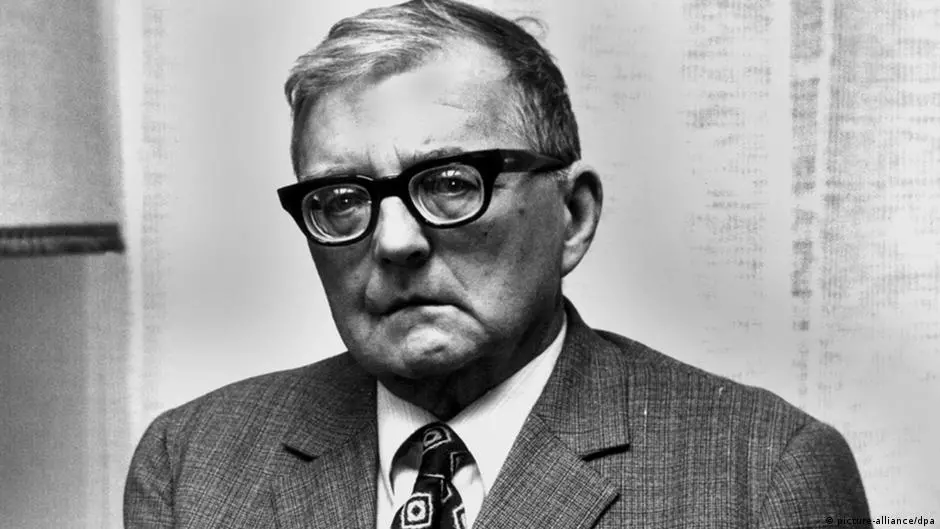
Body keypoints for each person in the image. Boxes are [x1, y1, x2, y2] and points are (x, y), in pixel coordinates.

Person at [124, 0, 872, 527]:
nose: (395, 241)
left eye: (452, 184)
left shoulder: (763, 475)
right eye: (343, 199)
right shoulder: (194, 463)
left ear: (573, 216)